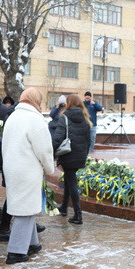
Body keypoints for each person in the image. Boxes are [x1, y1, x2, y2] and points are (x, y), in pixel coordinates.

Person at [2, 88, 55, 264]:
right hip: (27, 169)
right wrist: (50, 169)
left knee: (26, 205)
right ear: (37, 101)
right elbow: (45, 149)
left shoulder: (13, 117)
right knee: (25, 209)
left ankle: (32, 243)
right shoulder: (35, 119)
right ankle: (16, 251)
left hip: (12, 168)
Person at [51, 93, 92, 224]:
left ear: (68, 103)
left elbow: (58, 138)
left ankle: (78, 214)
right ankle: (64, 207)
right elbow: (89, 140)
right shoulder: (85, 117)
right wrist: (84, 155)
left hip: (68, 154)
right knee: (69, 179)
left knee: (72, 182)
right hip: (79, 154)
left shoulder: (65, 117)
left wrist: (50, 152)